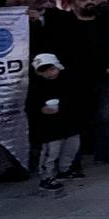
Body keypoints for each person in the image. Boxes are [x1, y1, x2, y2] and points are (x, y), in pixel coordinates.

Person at [42, 0, 109, 169]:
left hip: (103, 79)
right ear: (72, 5)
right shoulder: (64, 24)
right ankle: (74, 159)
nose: (89, 2)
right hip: (75, 80)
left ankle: (102, 152)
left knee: (104, 117)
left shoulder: (105, 23)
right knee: (77, 119)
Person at [27, 53, 83, 192]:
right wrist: (41, 109)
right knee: (51, 153)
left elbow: (77, 97)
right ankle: (46, 177)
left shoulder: (68, 80)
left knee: (71, 148)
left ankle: (65, 169)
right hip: (49, 127)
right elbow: (30, 105)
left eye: (51, 69)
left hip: (69, 122)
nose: (49, 73)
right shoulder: (36, 86)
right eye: (44, 71)